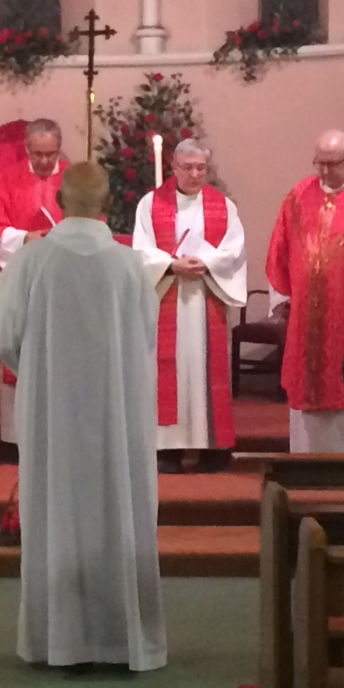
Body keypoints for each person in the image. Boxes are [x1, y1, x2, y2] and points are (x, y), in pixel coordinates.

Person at [0, 162, 167, 672]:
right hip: (118, 413)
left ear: (63, 200)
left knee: (56, 509)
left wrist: (45, 372)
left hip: (53, 410)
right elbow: (145, 339)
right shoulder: (128, 265)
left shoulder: (30, 262)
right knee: (119, 507)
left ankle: (58, 642)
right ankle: (123, 640)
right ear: (105, 204)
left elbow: (8, 342)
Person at [265, 130, 344, 453]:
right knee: (306, 430)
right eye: (319, 163)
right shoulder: (297, 196)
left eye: (332, 164)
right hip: (306, 325)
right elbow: (279, 248)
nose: (324, 172)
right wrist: (282, 298)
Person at [132, 139, 247, 472]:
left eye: (201, 168)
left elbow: (234, 249)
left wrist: (206, 262)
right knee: (166, 370)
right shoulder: (150, 204)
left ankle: (211, 446)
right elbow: (140, 249)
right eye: (188, 167)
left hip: (205, 299)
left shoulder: (223, 206)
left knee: (206, 370)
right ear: (173, 166)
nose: (195, 174)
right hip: (166, 297)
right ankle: (167, 448)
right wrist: (170, 265)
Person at [0, 118, 67, 444]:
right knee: (22, 354)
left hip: (64, 285)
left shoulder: (74, 179)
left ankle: (61, 433)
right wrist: (26, 238)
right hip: (22, 281)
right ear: (27, 149)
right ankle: (18, 437)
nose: (45, 161)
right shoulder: (7, 181)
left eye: (51, 153)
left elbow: (93, 220)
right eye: (38, 153)